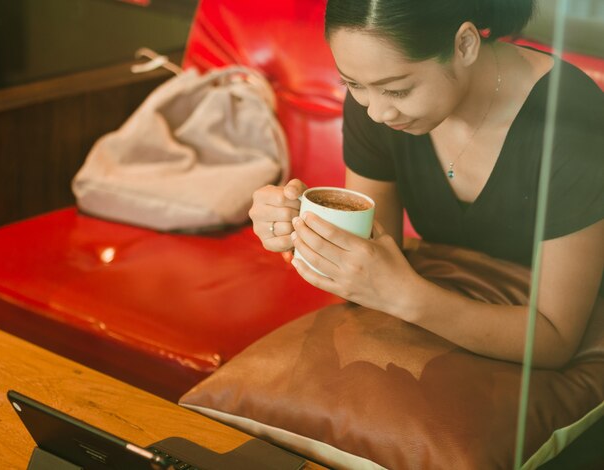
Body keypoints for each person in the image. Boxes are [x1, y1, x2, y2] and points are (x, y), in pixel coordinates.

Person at [248, 0, 604, 368]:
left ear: (464, 44)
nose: (376, 112)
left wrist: (406, 297)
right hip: (444, 309)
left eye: (399, 90)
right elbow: (373, 250)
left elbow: (553, 339)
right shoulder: (377, 104)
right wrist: (296, 224)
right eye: (353, 84)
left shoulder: (572, 122)